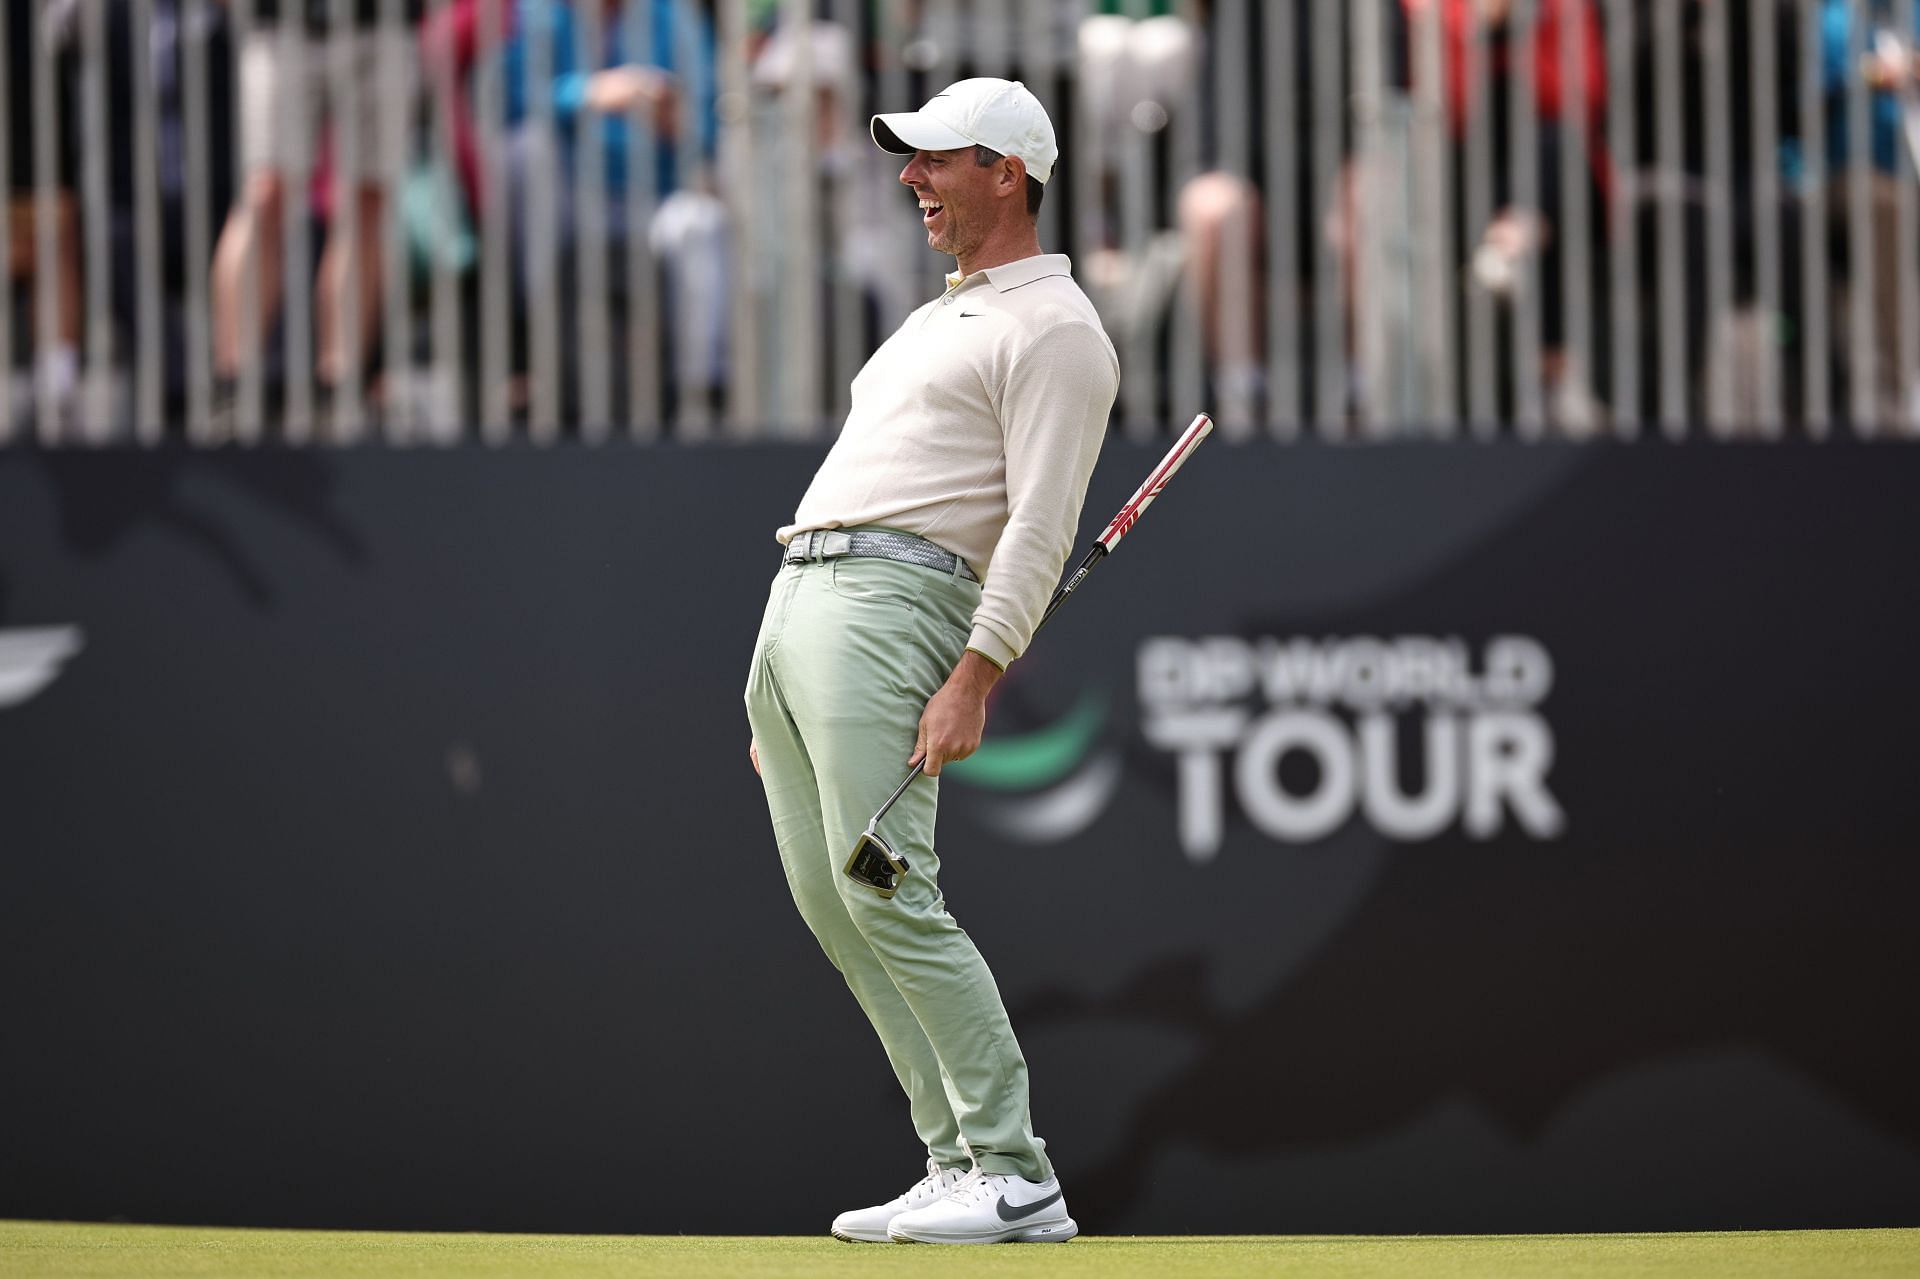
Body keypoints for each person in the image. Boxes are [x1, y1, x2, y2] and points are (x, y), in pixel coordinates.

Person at [741, 78, 1116, 1246]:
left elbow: (1040, 530)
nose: (912, 179)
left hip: (899, 605)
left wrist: (977, 673)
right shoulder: (933, 318)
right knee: (834, 900)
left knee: (892, 890)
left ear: (1007, 172)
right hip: (803, 600)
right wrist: (780, 691)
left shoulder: (1058, 329)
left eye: (935, 160)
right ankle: (953, 1156)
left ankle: (1015, 1171)